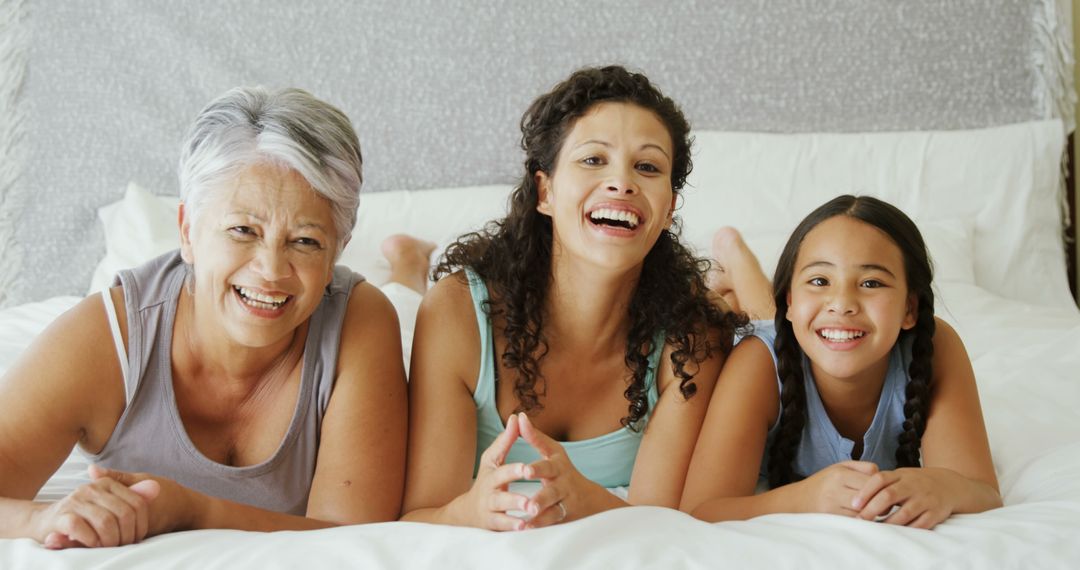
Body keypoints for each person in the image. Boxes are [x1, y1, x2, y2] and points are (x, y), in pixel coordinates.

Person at [0, 87, 408, 548]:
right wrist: (39, 521)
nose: (271, 271)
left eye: (306, 241)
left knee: (405, 299)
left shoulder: (362, 319)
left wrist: (193, 510)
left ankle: (408, 269)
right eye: (242, 230)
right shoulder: (105, 337)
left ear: (337, 250)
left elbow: (358, 539)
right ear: (187, 232)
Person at [399, 65, 745, 531]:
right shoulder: (456, 311)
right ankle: (406, 263)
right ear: (545, 191)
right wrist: (470, 511)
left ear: (668, 210)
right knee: (401, 298)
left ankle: (733, 257)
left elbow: (662, 523)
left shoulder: (692, 338)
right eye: (593, 159)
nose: (622, 183)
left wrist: (583, 498)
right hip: (447, 302)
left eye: (647, 166)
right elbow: (420, 516)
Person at [681, 195, 1001, 529]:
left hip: (814, 333)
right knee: (751, 320)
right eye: (819, 281)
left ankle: (742, 270)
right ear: (789, 300)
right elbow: (701, 510)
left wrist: (943, 486)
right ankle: (734, 255)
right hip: (784, 339)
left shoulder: (934, 345)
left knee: (803, 322)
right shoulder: (757, 361)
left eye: (871, 283)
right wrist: (805, 499)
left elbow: (982, 490)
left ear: (910, 309)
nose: (842, 303)